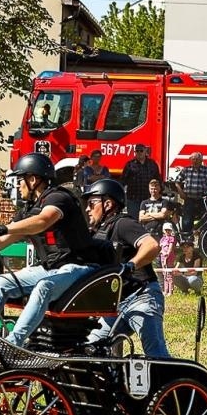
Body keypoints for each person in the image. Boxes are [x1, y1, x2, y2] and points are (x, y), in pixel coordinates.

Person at [0, 152, 108, 349]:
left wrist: (6, 227)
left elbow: (43, 221)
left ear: (33, 179)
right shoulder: (28, 210)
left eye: (20, 180)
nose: (18, 186)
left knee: (44, 287)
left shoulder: (59, 197)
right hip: (50, 269)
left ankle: (13, 346)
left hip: (78, 268)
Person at [81, 178, 169, 357]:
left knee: (156, 354)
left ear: (108, 204)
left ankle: (177, 384)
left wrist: (130, 266)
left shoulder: (123, 224)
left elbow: (152, 245)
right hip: (117, 305)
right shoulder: (99, 232)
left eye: (92, 203)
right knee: (88, 348)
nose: (88, 208)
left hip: (142, 298)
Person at [173, 152, 207, 240]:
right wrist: (181, 192)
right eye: (193, 159)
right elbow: (177, 182)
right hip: (189, 199)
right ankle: (187, 243)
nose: (195, 161)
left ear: (201, 160)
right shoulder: (186, 170)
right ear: (190, 160)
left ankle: (204, 243)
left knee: (206, 222)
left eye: (197, 159)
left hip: (203, 200)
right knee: (187, 222)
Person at [120, 143, 162, 218]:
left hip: (148, 198)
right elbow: (123, 180)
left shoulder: (152, 164)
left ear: (145, 151)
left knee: (148, 220)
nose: (139, 153)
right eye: (137, 151)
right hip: (133, 198)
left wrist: (159, 193)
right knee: (133, 220)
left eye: (141, 151)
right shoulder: (130, 165)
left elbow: (158, 179)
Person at [158, 221, 179, 296]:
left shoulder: (171, 238)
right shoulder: (162, 239)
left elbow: (170, 248)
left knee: (169, 274)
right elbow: (160, 248)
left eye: (169, 230)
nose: (167, 231)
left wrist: (167, 254)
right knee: (164, 274)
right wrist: (162, 252)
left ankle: (170, 291)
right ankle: (165, 290)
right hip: (163, 257)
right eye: (166, 230)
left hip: (169, 258)